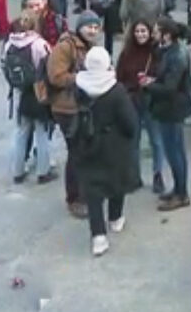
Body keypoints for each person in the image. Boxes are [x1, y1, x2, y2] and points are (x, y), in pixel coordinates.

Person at [73, 46, 138, 256]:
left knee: (93, 191)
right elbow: (130, 122)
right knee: (116, 181)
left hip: (88, 141)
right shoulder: (116, 90)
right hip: (114, 144)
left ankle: (98, 236)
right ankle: (115, 218)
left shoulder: (80, 86)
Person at [46, 11, 101, 218]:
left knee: (85, 151)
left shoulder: (92, 48)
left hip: (83, 106)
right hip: (67, 108)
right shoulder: (65, 47)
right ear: (80, 27)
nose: (93, 30)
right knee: (77, 153)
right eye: (89, 26)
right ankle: (75, 198)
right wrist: (83, 78)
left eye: (96, 27)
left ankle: (85, 193)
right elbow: (56, 76)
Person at [144, 17, 191, 211]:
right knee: (175, 150)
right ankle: (179, 189)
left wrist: (150, 85)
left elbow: (170, 86)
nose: (153, 34)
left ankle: (182, 194)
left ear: (166, 35)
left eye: (156, 31)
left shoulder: (177, 55)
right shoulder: (169, 51)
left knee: (174, 152)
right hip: (170, 107)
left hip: (172, 108)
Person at [2, 12, 56, 184]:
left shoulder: (9, 44)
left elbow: (4, 65)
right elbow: (50, 66)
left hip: (21, 92)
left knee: (21, 132)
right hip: (39, 92)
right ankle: (43, 171)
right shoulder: (39, 44)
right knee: (42, 132)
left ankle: (17, 171)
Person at [115, 19, 165, 193]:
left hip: (151, 99)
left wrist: (151, 80)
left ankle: (158, 175)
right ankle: (134, 177)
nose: (140, 35)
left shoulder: (157, 52)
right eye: (137, 31)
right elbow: (119, 76)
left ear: (150, 32)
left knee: (156, 140)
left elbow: (163, 76)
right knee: (133, 140)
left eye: (144, 31)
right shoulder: (127, 53)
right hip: (131, 100)